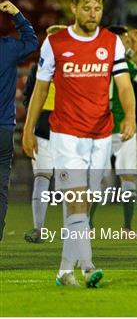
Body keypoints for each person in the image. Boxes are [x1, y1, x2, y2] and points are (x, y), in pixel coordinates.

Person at [22, 0, 136, 287]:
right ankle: (88, 266)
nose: (93, 13)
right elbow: (40, 89)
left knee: (85, 203)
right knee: (77, 197)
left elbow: (124, 85)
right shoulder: (55, 43)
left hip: (101, 134)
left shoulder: (112, 42)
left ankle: (63, 270)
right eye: (87, 7)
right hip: (66, 133)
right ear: (74, 8)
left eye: (98, 8)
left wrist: (130, 117)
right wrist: (29, 129)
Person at [89, 25, 137, 232]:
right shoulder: (126, 65)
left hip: (100, 128)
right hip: (119, 127)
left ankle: (87, 225)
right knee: (126, 178)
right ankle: (126, 228)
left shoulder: (94, 62)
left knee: (98, 179)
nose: (128, 43)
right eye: (125, 40)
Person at [22, 25, 66, 244]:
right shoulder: (37, 69)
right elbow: (28, 97)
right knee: (42, 176)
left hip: (68, 125)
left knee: (68, 179)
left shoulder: (70, 67)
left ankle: (75, 229)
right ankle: (38, 228)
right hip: (44, 126)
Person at [0, 0, 38, 241]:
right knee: (1, 187)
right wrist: (17, 14)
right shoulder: (8, 47)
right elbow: (32, 41)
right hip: (3, 127)